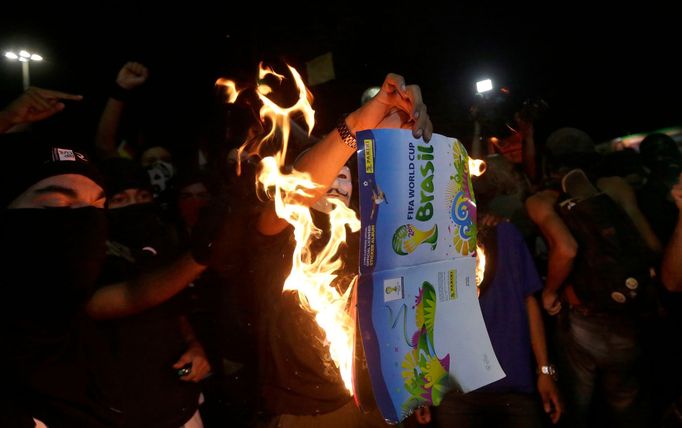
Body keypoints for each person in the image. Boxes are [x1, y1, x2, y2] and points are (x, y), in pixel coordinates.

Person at [253, 73, 432, 427]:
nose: (336, 182)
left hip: (377, 398)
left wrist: (416, 386)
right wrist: (354, 127)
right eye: (328, 175)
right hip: (313, 409)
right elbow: (295, 193)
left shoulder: (368, 235)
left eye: (344, 177)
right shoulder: (281, 235)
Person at [525, 127, 661, 428]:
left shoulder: (542, 201)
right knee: (627, 407)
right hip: (628, 315)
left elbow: (567, 249)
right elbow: (651, 245)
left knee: (576, 408)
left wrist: (549, 292)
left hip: (581, 321)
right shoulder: (616, 187)